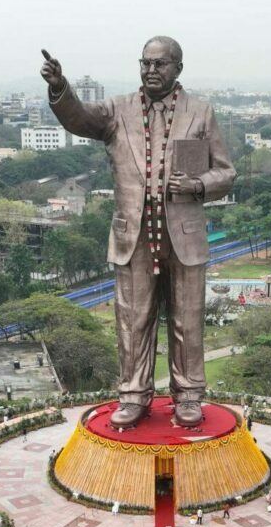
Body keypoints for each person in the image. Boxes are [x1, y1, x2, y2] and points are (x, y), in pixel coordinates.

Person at [41, 38, 236, 429]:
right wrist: (60, 89)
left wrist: (198, 186)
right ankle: (133, 395)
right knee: (134, 318)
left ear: (178, 68)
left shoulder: (200, 113)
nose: (151, 70)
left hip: (183, 233)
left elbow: (226, 173)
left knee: (187, 319)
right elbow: (78, 118)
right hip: (134, 234)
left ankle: (189, 395)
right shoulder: (117, 111)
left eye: (160, 64)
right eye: (145, 63)